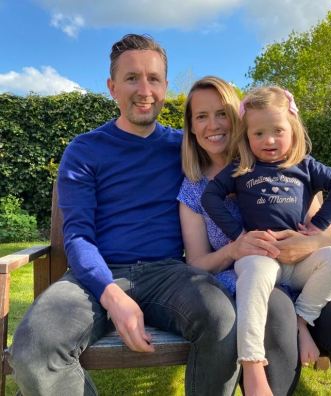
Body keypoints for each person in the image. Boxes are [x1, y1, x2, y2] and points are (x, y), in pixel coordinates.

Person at [8, 34, 240, 396]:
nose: (144, 89)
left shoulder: (186, 146)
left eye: (154, 78)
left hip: (169, 274)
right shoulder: (85, 150)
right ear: (112, 87)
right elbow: (78, 236)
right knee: (33, 350)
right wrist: (111, 295)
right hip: (93, 276)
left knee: (223, 319)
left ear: (165, 86)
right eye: (132, 78)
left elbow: (246, 158)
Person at [178, 76, 331, 396]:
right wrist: (236, 247)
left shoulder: (288, 165)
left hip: (305, 274)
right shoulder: (194, 190)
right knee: (274, 310)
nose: (214, 124)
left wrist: (307, 241)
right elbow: (197, 263)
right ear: (192, 127)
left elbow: (324, 230)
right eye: (201, 116)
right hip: (253, 279)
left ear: (237, 119)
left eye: (222, 113)